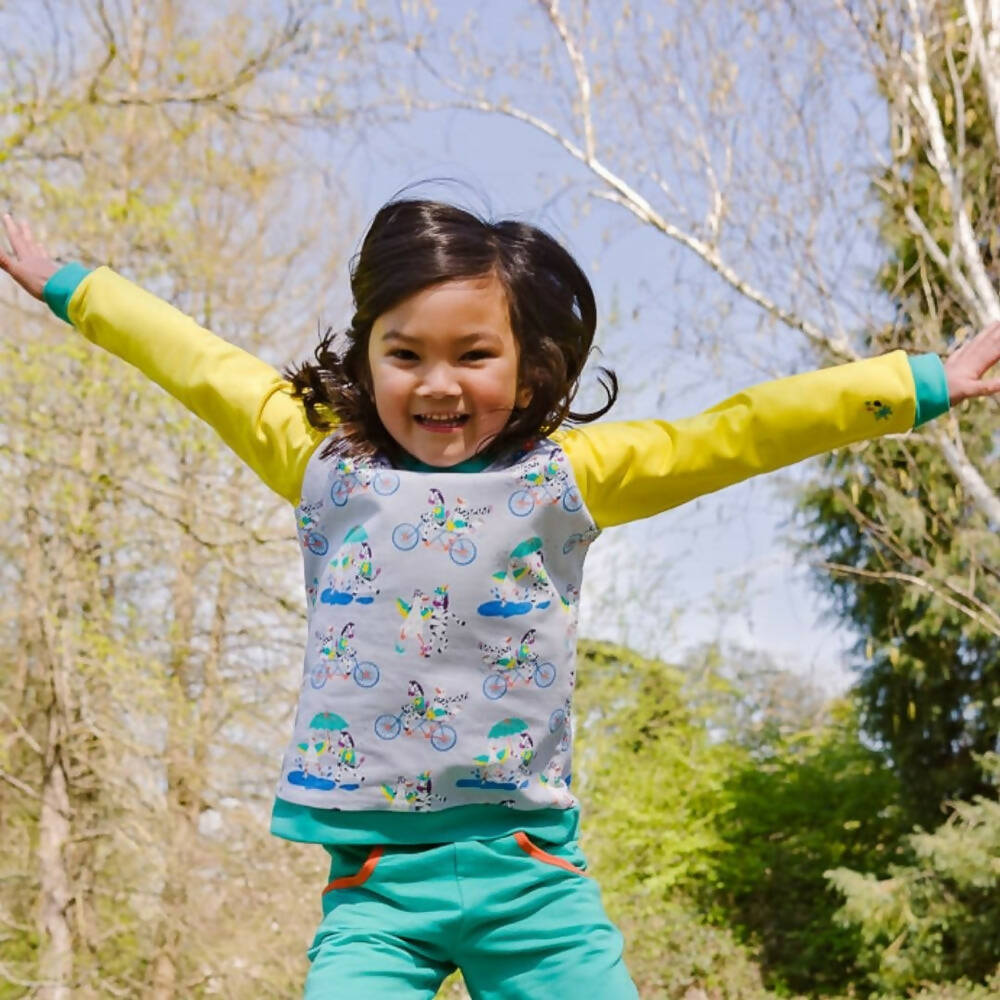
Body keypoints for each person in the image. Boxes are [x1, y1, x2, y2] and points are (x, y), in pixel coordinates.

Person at [3, 202, 1000, 999]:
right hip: (371, 892)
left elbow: (734, 431)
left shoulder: (571, 475)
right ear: (366, 356)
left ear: (527, 368)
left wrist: (914, 382)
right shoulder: (322, 460)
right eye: (406, 354)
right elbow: (195, 361)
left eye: (473, 355)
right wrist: (69, 284)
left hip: (530, 877)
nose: (439, 384)